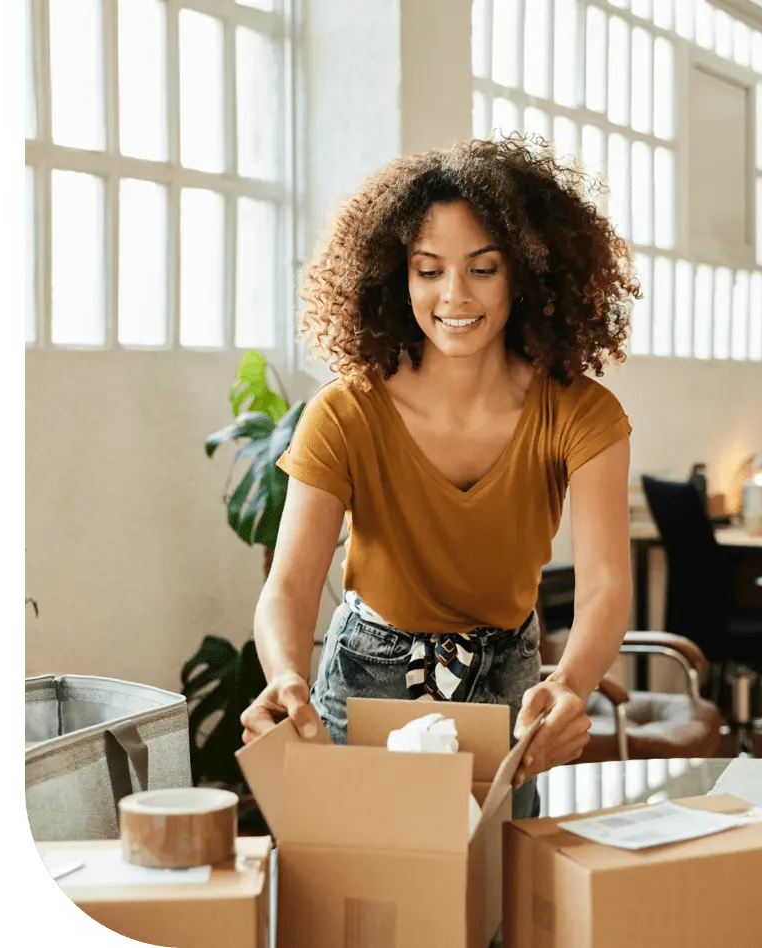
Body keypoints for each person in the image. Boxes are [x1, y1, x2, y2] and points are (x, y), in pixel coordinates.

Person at [239, 136, 639, 818]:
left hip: (508, 684)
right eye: (428, 271)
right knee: (364, 897)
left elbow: (605, 584)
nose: (454, 294)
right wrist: (284, 677)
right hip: (364, 679)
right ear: (396, 278)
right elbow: (292, 584)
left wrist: (570, 680)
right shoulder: (347, 410)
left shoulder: (580, 412)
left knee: (495, 904)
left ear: (528, 273)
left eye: (483, 269)